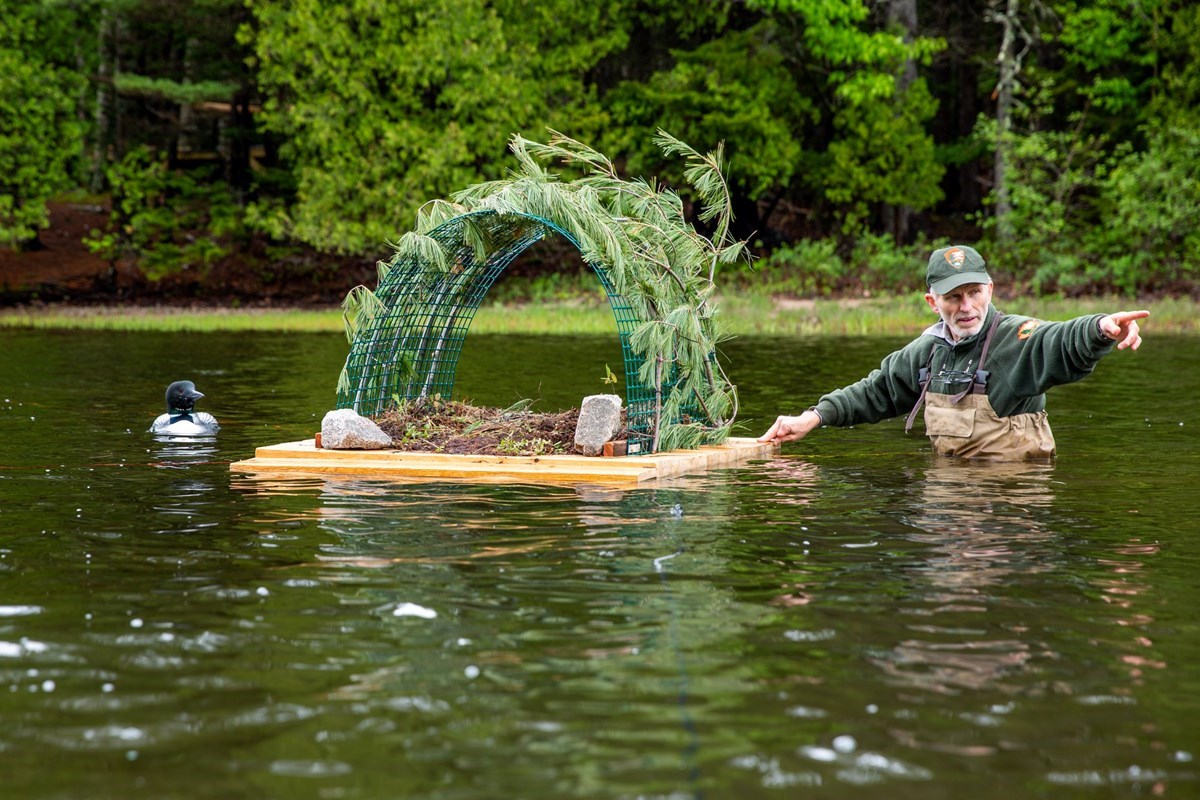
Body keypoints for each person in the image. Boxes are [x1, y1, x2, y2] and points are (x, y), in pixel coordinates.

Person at [758, 245, 1149, 460]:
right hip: (945, 505)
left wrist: (1101, 328)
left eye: (975, 293)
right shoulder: (929, 350)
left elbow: (1060, 342)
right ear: (933, 301)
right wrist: (814, 417)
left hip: (1011, 509)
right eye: (953, 297)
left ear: (990, 290)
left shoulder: (1017, 338)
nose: (966, 307)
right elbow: (877, 391)